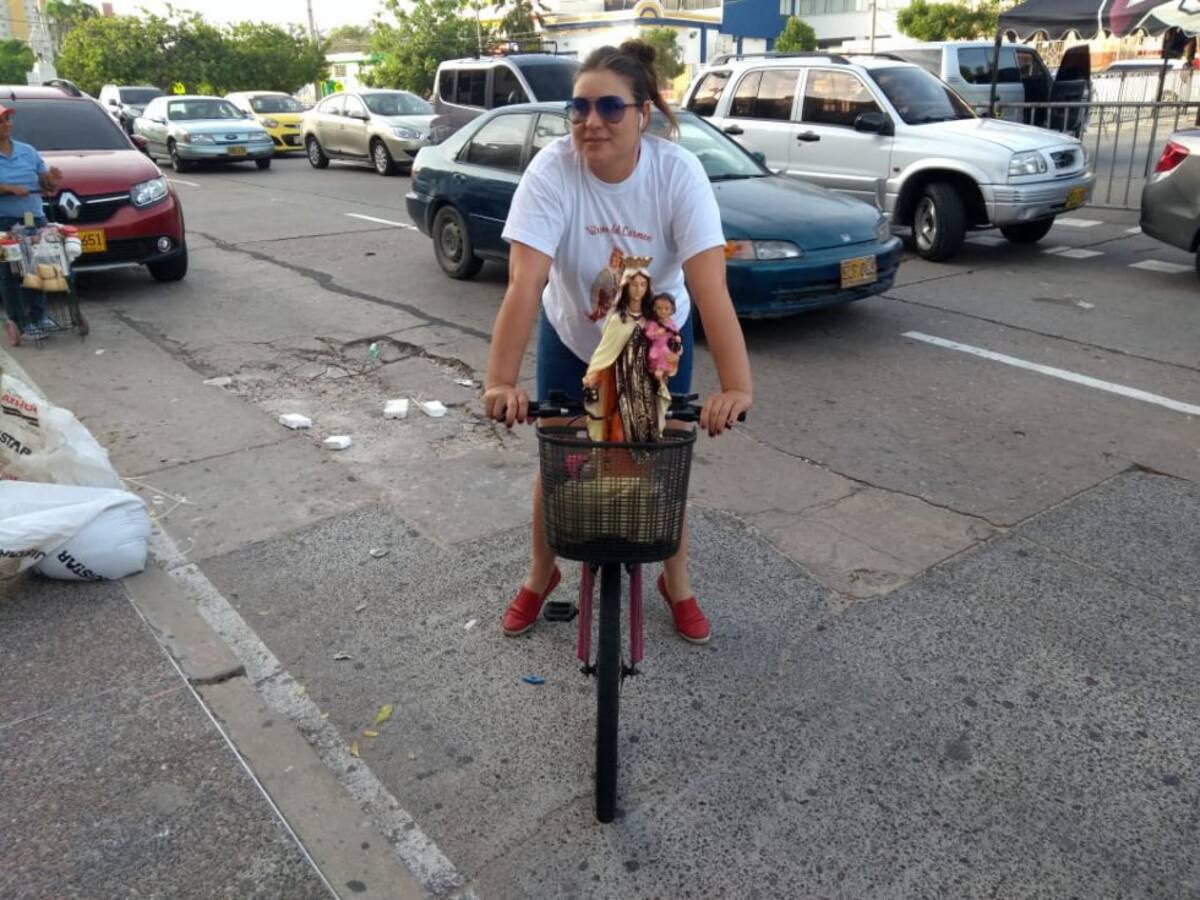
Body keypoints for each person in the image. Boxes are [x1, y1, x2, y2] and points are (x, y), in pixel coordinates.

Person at [483, 39, 753, 645]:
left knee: (662, 459)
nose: (592, 122)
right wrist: (500, 382)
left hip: (656, 340)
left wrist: (737, 387)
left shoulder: (676, 173)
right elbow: (524, 284)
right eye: (578, 108)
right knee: (556, 453)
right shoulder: (552, 170)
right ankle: (541, 574)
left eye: (609, 107)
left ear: (644, 114)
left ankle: (676, 583)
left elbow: (710, 287)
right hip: (576, 335)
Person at [582, 265, 665, 443]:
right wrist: (594, 374)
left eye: (643, 285)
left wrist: (668, 355)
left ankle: (640, 461)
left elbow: (662, 347)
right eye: (634, 284)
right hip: (620, 380)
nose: (638, 289)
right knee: (619, 429)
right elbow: (604, 352)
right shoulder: (617, 319)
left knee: (645, 429)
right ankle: (615, 459)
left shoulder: (651, 320)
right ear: (626, 287)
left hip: (644, 382)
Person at [0, 103, 62, 339]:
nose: (6, 124)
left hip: (34, 219)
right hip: (5, 222)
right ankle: (20, 321)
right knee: (11, 273)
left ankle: (39, 316)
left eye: (8, 120)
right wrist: (9, 188)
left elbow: (46, 183)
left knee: (38, 268)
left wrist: (51, 180)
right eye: (1, 121)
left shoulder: (28, 151)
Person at [587, 247, 623, 321]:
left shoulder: (620, 275)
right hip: (602, 311)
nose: (616, 259)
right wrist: (595, 310)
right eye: (614, 256)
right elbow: (595, 290)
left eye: (619, 258)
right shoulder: (605, 273)